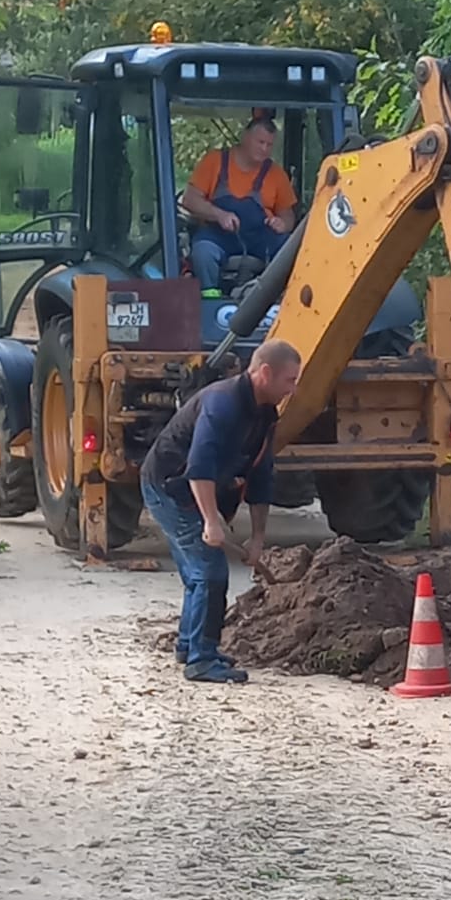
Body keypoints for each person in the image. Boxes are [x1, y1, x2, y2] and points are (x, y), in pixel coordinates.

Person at [140, 339, 303, 684]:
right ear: (265, 373)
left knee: (198, 574)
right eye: (290, 380)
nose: (295, 388)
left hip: (195, 490)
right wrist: (211, 522)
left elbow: (260, 475)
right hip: (168, 487)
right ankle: (201, 659)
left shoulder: (264, 415)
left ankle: (189, 644)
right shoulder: (222, 404)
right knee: (210, 573)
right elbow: (199, 468)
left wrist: (258, 538)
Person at [182, 115, 298, 295]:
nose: (264, 149)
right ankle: (210, 298)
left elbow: (288, 215)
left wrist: (282, 224)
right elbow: (190, 200)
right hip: (217, 236)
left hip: (260, 239)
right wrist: (219, 215)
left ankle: (282, 299)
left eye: (269, 145)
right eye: (260, 142)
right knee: (203, 252)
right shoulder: (214, 162)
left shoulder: (276, 174)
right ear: (245, 137)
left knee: (289, 250)